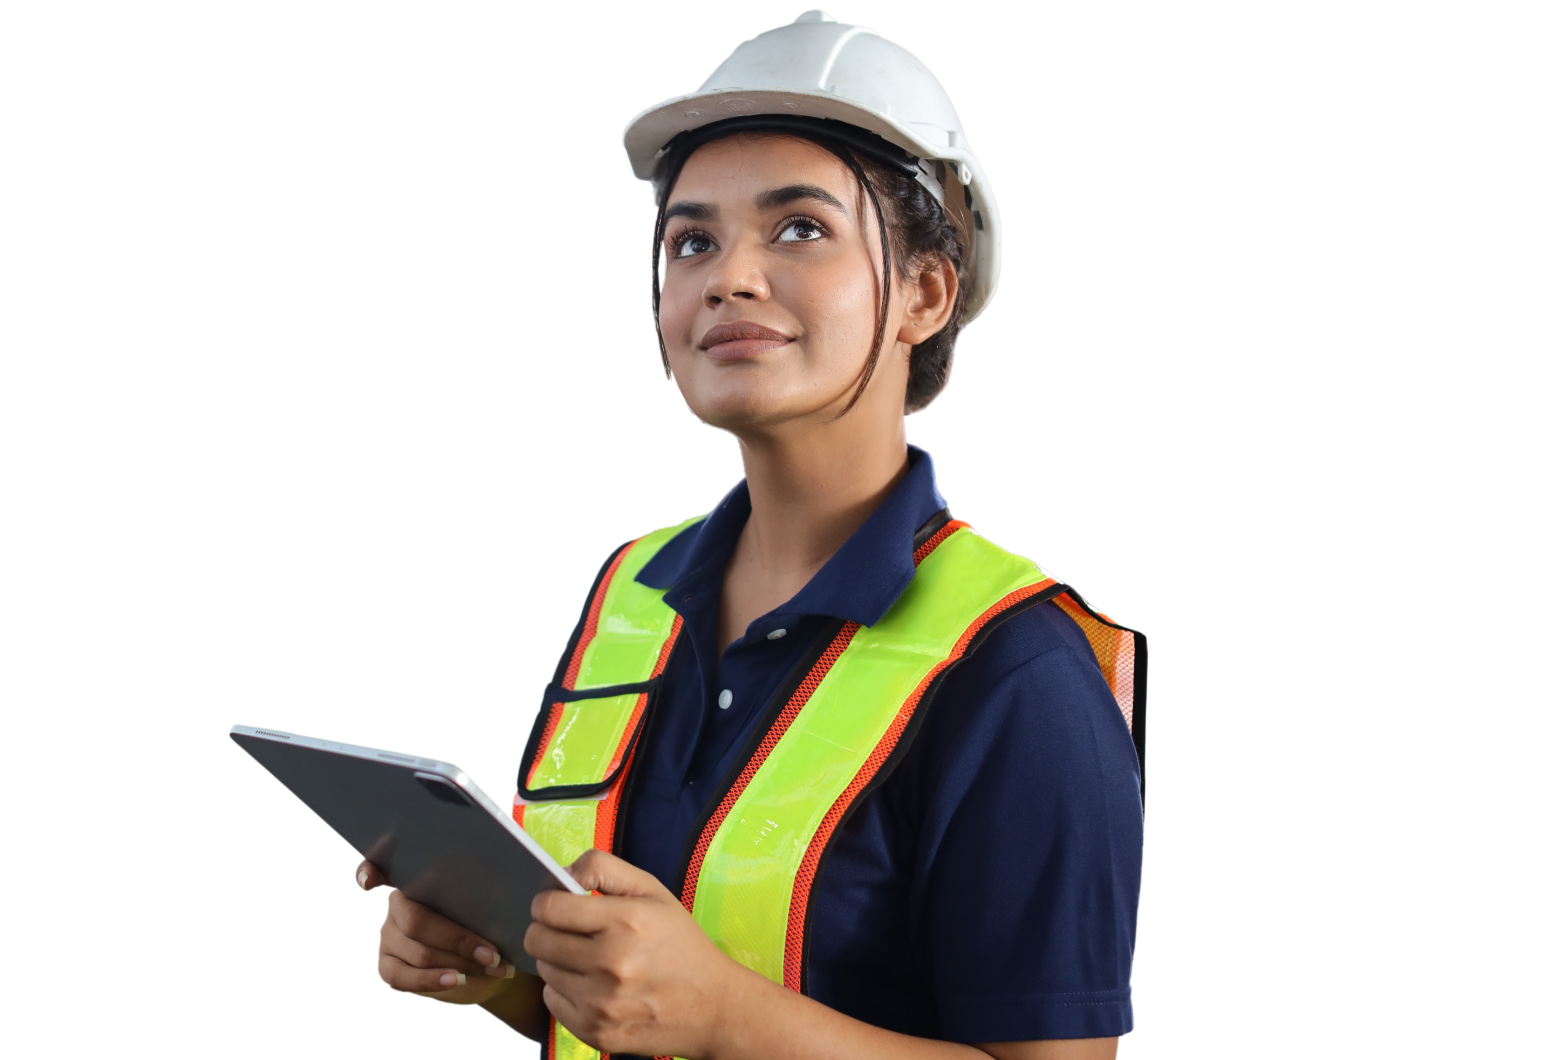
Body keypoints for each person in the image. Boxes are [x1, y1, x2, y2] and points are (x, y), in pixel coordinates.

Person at [355, 12, 1146, 1060]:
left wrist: (731, 1020)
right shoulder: (630, 589)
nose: (729, 275)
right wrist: (502, 966)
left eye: (800, 227)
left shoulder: (1014, 664)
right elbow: (618, 1005)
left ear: (924, 290)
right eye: (692, 240)